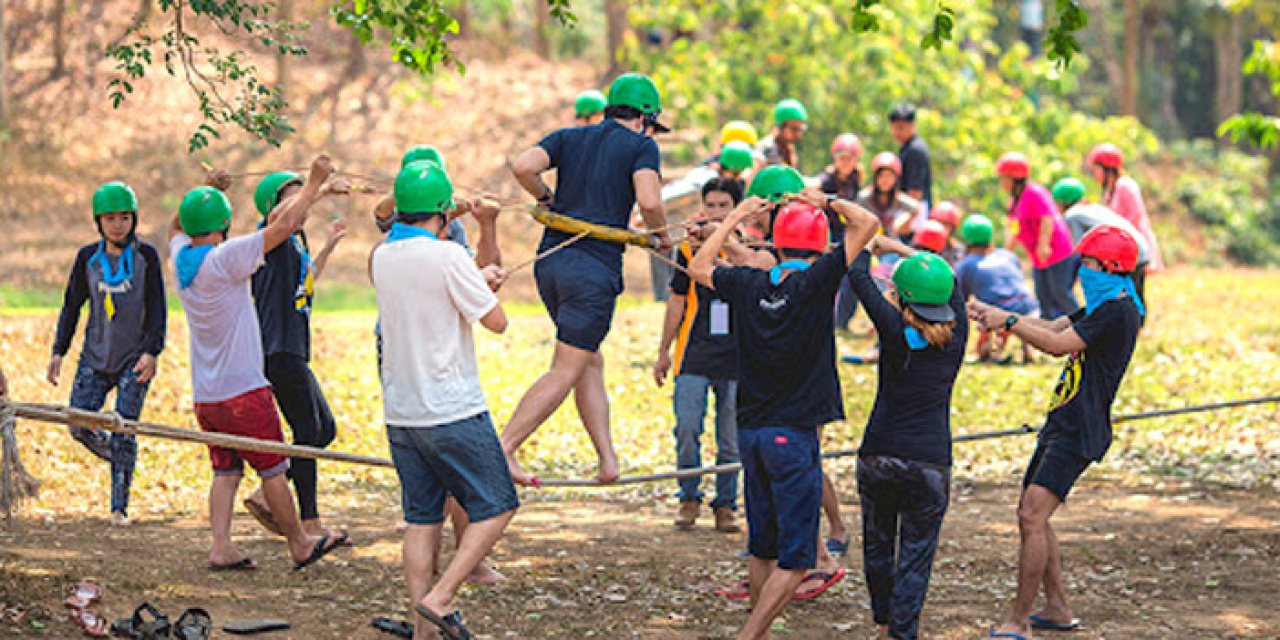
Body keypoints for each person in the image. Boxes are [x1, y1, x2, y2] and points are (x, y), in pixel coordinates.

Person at [688, 190, 880, 640]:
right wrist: (828, 199)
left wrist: (735, 216)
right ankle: (751, 635)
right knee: (797, 560)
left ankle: (761, 632)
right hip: (792, 437)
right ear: (817, 248)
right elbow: (867, 224)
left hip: (751, 434)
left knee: (763, 548)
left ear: (775, 244)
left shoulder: (750, 283)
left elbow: (699, 267)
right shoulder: (816, 282)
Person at [171, 156, 348, 571]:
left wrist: (207, 188)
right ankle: (301, 542)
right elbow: (282, 227)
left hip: (207, 395)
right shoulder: (225, 259)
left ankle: (221, 546)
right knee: (273, 468)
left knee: (226, 471)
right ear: (225, 224)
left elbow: (175, 229)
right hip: (243, 391)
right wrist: (317, 180)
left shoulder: (180, 260)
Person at [969, 225, 1144, 640]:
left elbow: (1056, 347)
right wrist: (994, 313)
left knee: (1032, 516)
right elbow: (1049, 328)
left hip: (1080, 428)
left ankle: (1019, 620)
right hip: (1062, 421)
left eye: (1086, 264)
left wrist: (1007, 320)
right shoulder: (1102, 306)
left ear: (1109, 266)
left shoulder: (1117, 312)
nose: (1081, 271)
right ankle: (1058, 609)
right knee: (1032, 516)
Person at [372, 160, 518, 640]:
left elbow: (431, 301)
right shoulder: (448, 257)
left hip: (402, 411)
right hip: (451, 408)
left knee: (421, 518)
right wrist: (485, 286)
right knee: (497, 505)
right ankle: (443, 595)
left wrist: (477, 285)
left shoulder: (380, 257)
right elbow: (496, 323)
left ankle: (422, 629)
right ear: (443, 212)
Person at [505, 72, 672, 485]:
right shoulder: (641, 146)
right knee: (566, 367)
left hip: (551, 263)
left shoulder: (569, 136)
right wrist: (662, 237)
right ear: (645, 117)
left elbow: (523, 166)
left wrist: (545, 197)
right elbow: (650, 201)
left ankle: (607, 459)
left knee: (587, 359)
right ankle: (504, 446)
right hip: (592, 273)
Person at [850, 239, 967, 640]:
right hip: (930, 463)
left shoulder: (893, 330)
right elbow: (949, 280)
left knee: (878, 546)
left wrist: (868, 240)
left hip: (879, 456)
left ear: (901, 298)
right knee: (916, 556)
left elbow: (858, 274)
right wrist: (909, 255)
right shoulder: (958, 338)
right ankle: (902, 633)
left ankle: (884, 623)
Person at [48, 181, 166, 527]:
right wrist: (59, 350)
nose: (118, 225)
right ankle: (120, 454)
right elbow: (72, 305)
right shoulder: (88, 259)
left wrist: (152, 351)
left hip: (135, 358)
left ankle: (119, 508)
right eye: (110, 218)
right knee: (78, 422)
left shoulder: (147, 257)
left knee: (124, 426)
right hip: (95, 356)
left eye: (125, 217)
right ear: (98, 222)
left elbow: (158, 309)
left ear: (134, 219)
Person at [237, 171, 347, 541]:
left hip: (294, 346)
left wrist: (329, 246)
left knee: (324, 428)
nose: (305, 205)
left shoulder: (295, 241)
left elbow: (307, 278)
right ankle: (310, 523)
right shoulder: (267, 237)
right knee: (307, 430)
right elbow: (281, 217)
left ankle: (268, 492)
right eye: (296, 199)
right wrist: (321, 187)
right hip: (276, 347)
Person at [655, 178, 743, 534]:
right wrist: (662, 350)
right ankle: (688, 497)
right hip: (693, 353)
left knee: (731, 437)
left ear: (738, 209)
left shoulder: (749, 249)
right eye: (712, 205)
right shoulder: (689, 249)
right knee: (688, 428)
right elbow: (677, 300)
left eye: (725, 206)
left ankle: (726, 504)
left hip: (738, 357)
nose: (717, 213)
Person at [996, 152, 1078, 320]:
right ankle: (1049, 337)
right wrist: (1005, 254)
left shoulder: (1034, 192)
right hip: (1038, 258)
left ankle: (1085, 327)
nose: (1001, 183)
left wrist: (1043, 244)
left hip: (1056, 252)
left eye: (1004, 178)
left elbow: (1047, 219)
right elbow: (1014, 230)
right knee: (1043, 296)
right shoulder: (1014, 202)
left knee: (1061, 293)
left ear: (1015, 178)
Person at [954, 214, 1040, 364]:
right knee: (1010, 310)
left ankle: (991, 349)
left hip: (999, 315)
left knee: (986, 342)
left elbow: (961, 301)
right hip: (1029, 309)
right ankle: (1028, 347)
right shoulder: (1008, 255)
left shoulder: (966, 265)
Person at [1052, 177, 1152, 305]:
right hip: (1139, 249)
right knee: (1134, 298)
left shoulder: (1071, 215)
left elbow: (1078, 249)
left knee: (1115, 299)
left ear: (1062, 202)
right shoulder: (1094, 208)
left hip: (1122, 255)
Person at [1087, 143, 1162, 275]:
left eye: (1096, 170)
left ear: (1107, 169)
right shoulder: (1108, 191)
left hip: (1135, 245)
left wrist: (1118, 236)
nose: (1095, 174)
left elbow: (1136, 214)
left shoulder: (1125, 185)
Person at [822, 133, 864, 331]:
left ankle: (842, 320)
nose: (845, 163)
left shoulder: (856, 180)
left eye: (850, 158)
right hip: (827, 232)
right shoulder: (826, 180)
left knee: (853, 274)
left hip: (848, 232)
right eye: (842, 158)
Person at [857, 153, 923, 239]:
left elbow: (916, 208)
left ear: (896, 179)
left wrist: (900, 223)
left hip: (890, 244)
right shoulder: (864, 197)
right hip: (867, 242)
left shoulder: (897, 198)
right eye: (882, 176)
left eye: (889, 176)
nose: (885, 180)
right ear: (876, 177)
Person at [889, 102, 932, 223]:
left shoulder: (915, 150)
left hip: (913, 212)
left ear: (912, 125)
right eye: (894, 127)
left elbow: (915, 191)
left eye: (900, 127)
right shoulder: (906, 148)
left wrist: (906, 219)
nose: (896, 132)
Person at [756, 99, 808, 169]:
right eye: (794, 129)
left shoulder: (789, 150)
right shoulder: (765, 148)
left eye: (800, 129)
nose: (798, 134)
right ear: (781, 127)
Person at [927, 201, 966, 265]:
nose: (940, 227)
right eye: (938, 222)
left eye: (945, 224)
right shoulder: (922, 246)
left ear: (952, 227)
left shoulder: (958, 251)